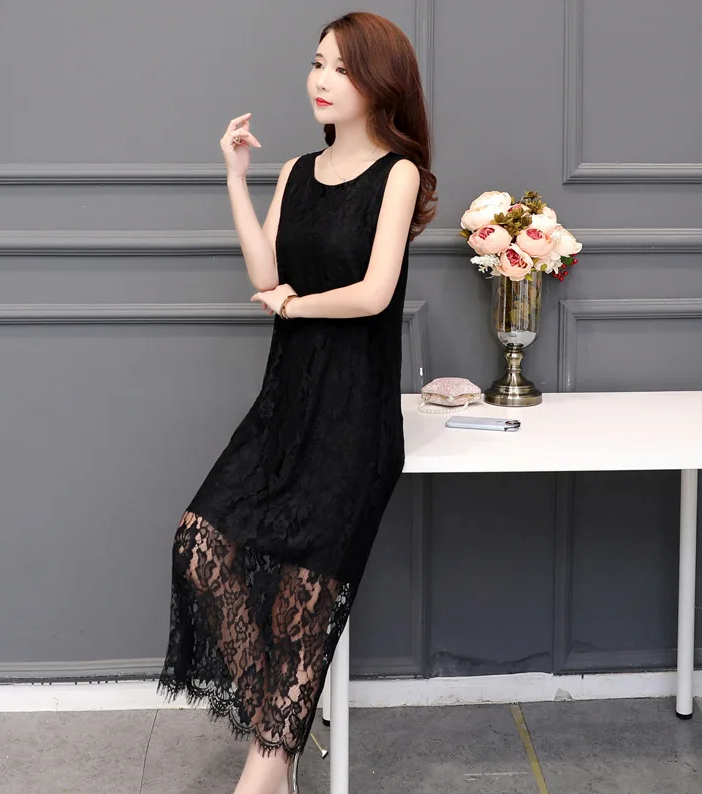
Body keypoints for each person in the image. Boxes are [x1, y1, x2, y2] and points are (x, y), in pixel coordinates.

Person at [156, 11, 437, 794]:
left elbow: (374, 294)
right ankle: (277, 744)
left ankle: (265, 770)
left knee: (304, 595)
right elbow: (265, 270)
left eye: (342, 68)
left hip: (354, 417)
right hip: (285, 404)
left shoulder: (398, 173)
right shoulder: (296, 172)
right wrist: (235, 179)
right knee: (199, 542)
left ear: (378, 83)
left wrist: (294, 305)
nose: (321, 80)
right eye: (318, 63)